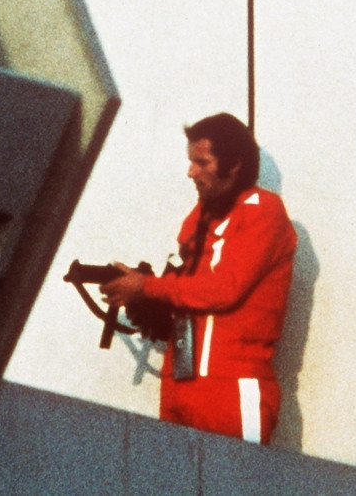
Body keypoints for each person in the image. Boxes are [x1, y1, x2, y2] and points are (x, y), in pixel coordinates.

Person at [101, 113, 297, 445]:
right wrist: (143, 291)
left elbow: (224, 289)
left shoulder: (264, 209)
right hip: (179, 383)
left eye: (201, 162)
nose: (191, 172)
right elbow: (185, 282)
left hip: (230, 389)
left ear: (234, 164)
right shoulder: (203, 215)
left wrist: (147, 287)